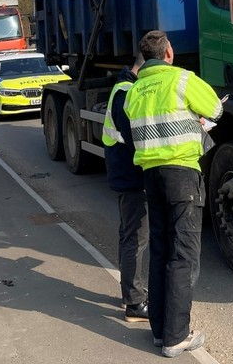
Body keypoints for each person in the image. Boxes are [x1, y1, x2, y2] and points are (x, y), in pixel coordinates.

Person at [123, 30, 224, 358]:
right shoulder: (182, 79)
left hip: (151, 177)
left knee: (161, 250)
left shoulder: (134, 91)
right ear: (168, 53)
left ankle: (159, 331)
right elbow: (214, 109)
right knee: (183, 257)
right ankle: (176, 337)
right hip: (182, 175)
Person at [101, 54, 148, 323]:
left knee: (129, 236)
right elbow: (136, 141)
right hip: (130, 175)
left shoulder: (123, 87)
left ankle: (132, 291)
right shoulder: (127, 92)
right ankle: (134, 303)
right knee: (136, 238)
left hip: (123, 172)